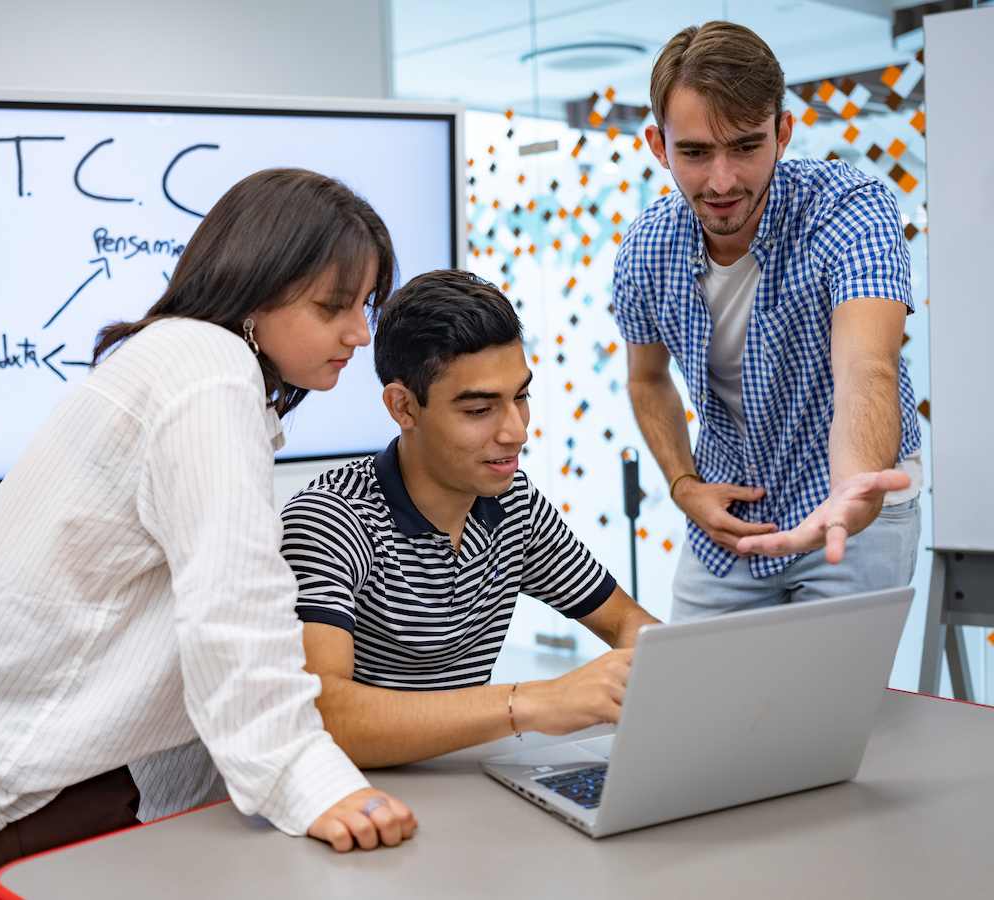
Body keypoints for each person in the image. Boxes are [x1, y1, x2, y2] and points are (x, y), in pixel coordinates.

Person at [0, 168, 417, 900]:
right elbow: (233, 603)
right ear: (255, 288)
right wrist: (301, 775)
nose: (359, 333)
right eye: (332, 306)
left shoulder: (183, 358)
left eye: (365, 306)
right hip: (4, 783)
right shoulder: (208, 370)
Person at [279, 270, 658, 768]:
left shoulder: (516, 505)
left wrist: (660, 673)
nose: (516, 431)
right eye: (480, 409)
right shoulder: (330, 519)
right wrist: (532, 702)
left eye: (520, 397)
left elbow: (628, 621)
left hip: (462, 785)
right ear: (403, 406)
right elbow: (325, 715)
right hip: (352, 806)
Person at [613, 22, 921, 620]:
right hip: (727, 515)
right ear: (658, 145)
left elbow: (867, 367)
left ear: (783, 133)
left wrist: (852, 489)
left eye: (746, 147)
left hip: (846, 509)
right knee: (698, 699)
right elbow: (646, 379)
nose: (722, 181)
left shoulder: (851, 209)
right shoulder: (645, 250)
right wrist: (683, 485)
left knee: (822, 709)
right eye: (696, 152)